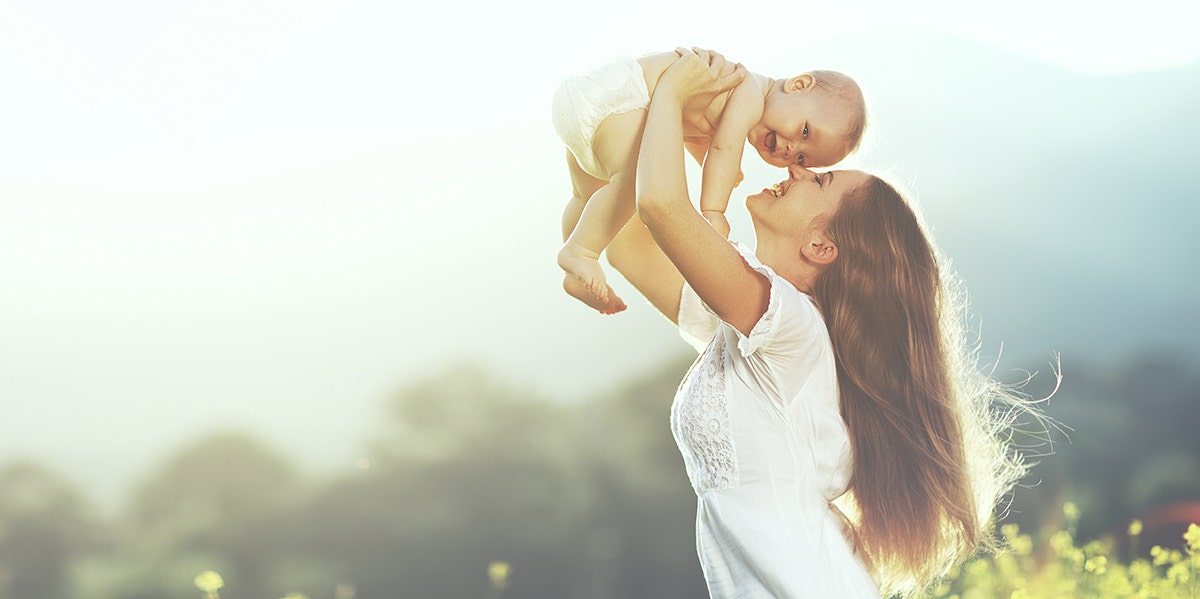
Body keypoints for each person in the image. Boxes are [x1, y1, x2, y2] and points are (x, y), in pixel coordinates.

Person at [607, 48, 1038, 598]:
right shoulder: (755, 332)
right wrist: (621, 125)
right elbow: (626, 247)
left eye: (820, 180)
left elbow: (663, 208)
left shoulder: (789, 327)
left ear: (820, 244)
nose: (795, 168)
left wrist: (668, 91)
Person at [552, 50, 866, 314]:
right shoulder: (749, 91)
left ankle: (572, 265)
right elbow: (724, 147)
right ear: (799, 85)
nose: (791, 149)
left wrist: (710, 165)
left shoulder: (728, 91)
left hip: (588, 98)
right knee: (630, 181)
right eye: (805, 132)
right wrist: (714, 210)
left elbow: (694, 132)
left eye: (801, 159)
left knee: (584, 194)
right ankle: (580, 252)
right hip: (619, 100)